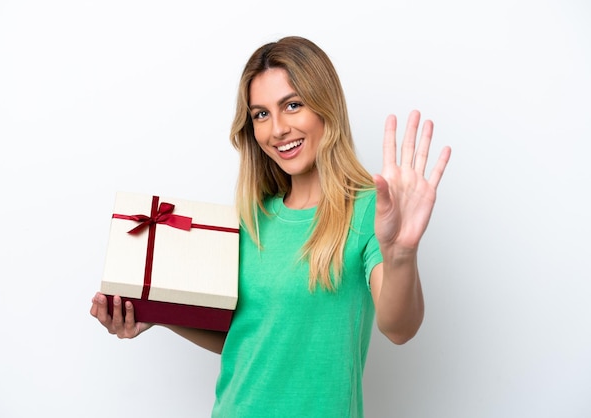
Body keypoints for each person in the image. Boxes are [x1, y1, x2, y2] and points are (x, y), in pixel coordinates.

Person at [91, 35, 451, 417]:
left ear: (326, 106)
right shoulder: (251, 219)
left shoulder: (368, 211)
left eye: (292, 105)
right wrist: (159, 314)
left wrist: (401, 255)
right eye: (261, 114)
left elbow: (400, 327)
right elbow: (247, 332)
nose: (277, 129)